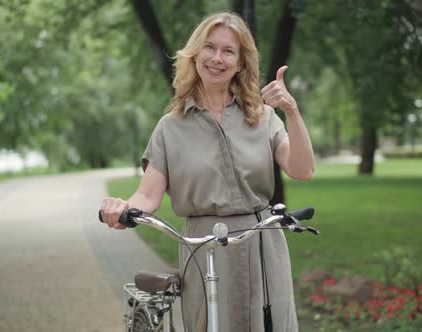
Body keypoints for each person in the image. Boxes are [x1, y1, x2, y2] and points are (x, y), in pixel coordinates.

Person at [100, 12, 314, 332]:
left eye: (228, 51)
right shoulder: (170, 127)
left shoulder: (263, 116)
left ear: (241, 63)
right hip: (202, 248)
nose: (217, 58)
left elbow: (302, 169)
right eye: (209, 48)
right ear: (195, 54)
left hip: (261, 245)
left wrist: (292, 111)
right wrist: (121, 209)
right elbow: (147, 195)